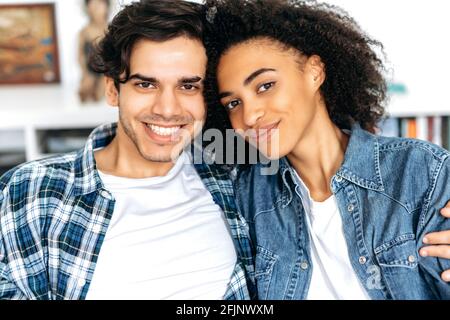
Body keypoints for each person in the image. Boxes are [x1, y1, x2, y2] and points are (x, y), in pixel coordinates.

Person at [0, 0, 253, 300]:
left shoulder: (238, 181)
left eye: (188, 87)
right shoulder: (30, 192)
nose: (167, 110)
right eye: (146, 84)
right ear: (112, 88)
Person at [203, 0, 450, 299]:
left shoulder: (420, 172)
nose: (249, 115)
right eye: (233, 103)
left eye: (265, 86)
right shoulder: (246, 198)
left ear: (314, 72)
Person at [78, 0, 110, 103]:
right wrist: (85, 72)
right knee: (84, 92)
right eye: (93, 6)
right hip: (89, 69)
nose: (96, 10)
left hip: (106, 70)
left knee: (100, 93)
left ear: (106, 7)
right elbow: (80, 56)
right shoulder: (84, 32)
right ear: (88, 9)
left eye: (100, 5)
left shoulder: (111, 30)